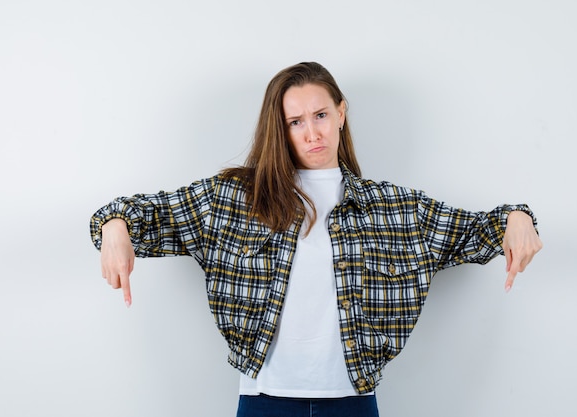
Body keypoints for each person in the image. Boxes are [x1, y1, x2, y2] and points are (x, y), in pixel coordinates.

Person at [90, 62, 542, 417]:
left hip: (352, 403)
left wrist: (518, 217)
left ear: (341, 113)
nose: (312, 132)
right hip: (264, 400)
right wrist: (114, 228)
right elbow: (141, 214)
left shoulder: (396, 210)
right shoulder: (232, 200)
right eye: (295, 121)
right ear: (280, 129)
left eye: (321, 114)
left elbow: (480, 229)